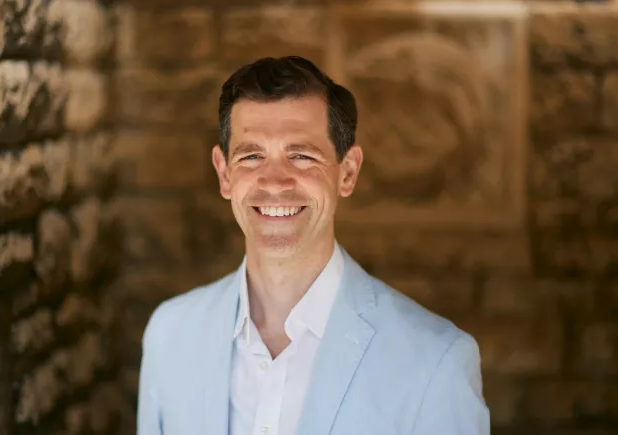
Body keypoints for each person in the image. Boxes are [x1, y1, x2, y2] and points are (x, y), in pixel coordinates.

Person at [137, 56, 490, 435]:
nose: (274, 181)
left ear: (348, 173)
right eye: (252, 156)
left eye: (302, 156)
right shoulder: (169, 335)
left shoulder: (437, 362)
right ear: (224, 174)